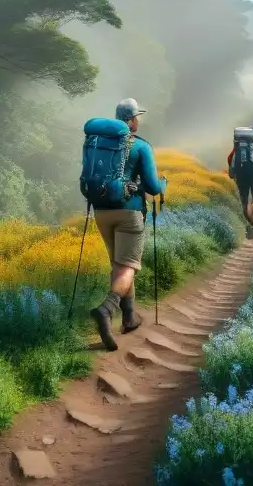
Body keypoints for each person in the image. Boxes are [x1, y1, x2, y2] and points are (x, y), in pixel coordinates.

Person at [88, 98, 167, 352]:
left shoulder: (99, 142)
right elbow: (153, 188)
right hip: (129, 211)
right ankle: (107, 308)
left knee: (119, 265)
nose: (138, 120)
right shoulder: (140, 146)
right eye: (137, 117)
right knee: (128, 266)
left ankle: (130, 317)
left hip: (101, 211)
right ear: (131, 120)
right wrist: (164, 184)